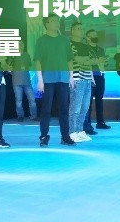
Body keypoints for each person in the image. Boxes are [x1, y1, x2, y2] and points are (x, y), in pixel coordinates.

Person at [34, 14, 75, 147]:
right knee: (46, 109)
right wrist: (40, 79)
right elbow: (37, 60)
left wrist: (71, 76)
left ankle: (65, 136)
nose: (56, 23)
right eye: (53, 21)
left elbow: (69, 59)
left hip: (63, 78)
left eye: (57, 20)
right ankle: (44, 136)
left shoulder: (64, 40)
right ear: (46, 24)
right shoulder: (41, 41)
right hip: (47, 80)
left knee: (64, 109)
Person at [68, 22, 94, 143]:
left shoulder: (85, 45)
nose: (81, 30)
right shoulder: (70, 44)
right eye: (78, 28)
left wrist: (91, 77)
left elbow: (91, 61)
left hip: (87, 78)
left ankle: (79, 130)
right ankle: (72, 132)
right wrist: (71, 77)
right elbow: (75, 59)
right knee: (75, 107)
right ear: (72, 31)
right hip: (77, 78)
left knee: (85, 107)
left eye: (82, 28)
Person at [84, 29, 110, 133]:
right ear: (87, 37)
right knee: (88, 101)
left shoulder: (101, 49)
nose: (95, 37)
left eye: (96, 35)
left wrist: (105, 62)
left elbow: (103, 62)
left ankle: (100, 122)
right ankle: (87, 125)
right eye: (92, 35)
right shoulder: (85, 49)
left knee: (99, 100)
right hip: (90, 76)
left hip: (100, 76)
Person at [10, 41, 38, 122]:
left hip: (27, 81)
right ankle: (20, 116)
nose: (20, 45)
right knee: (18, 100)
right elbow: (9, 67)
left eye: (22, 44)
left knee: (32, 100)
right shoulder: (13, 56)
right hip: (16, 81)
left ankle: (34, 116)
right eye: (19, 44)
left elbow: (29, 65)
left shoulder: (26, 55)